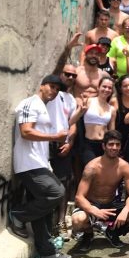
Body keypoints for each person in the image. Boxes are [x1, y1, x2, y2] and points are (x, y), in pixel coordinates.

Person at [9, 74, 71, 258]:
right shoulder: (31, 103)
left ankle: (47, 251)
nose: (53, 91)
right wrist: (54, 137)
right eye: (51, 86)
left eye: (57, 89)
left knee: (45, 209)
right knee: (56, 192)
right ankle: (18, 215)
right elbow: (26, 132)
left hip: (40, 162)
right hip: (28, 164)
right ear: (42, 86)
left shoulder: (43, 107)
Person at [72, 130, 129, 249]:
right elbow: (79, 197)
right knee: (77, 220)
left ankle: (112, 231)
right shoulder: (92, 167)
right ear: (104, 146)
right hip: (93, 205)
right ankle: (88, 233)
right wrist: (93, 210)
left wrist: (125, 210)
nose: (114, 147)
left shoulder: (124, 166)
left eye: (117, 145)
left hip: (112, 204)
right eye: (111, 144)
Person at [46, 64, 78, 240]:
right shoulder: (52, 92)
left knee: (64, 184)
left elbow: (72, 123)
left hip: (63, 146)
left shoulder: (71, 99)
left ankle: (60, 223)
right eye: (67, 74)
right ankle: (47, 223)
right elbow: (56, 66)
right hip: (46, 143)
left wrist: (70, 143)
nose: (71, 78)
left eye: (74, 75)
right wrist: (68, 48)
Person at [76, 77, 117, 166]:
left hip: (104, 145)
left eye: (109, 88)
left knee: (102, 173)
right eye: (104, 86)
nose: (107, 89)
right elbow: (74, 119)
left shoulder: (112, 109)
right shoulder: (88, 101)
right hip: (88, 144)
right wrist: (81, 111)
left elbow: (112, 132)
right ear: (98, 87)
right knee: (91, 169)